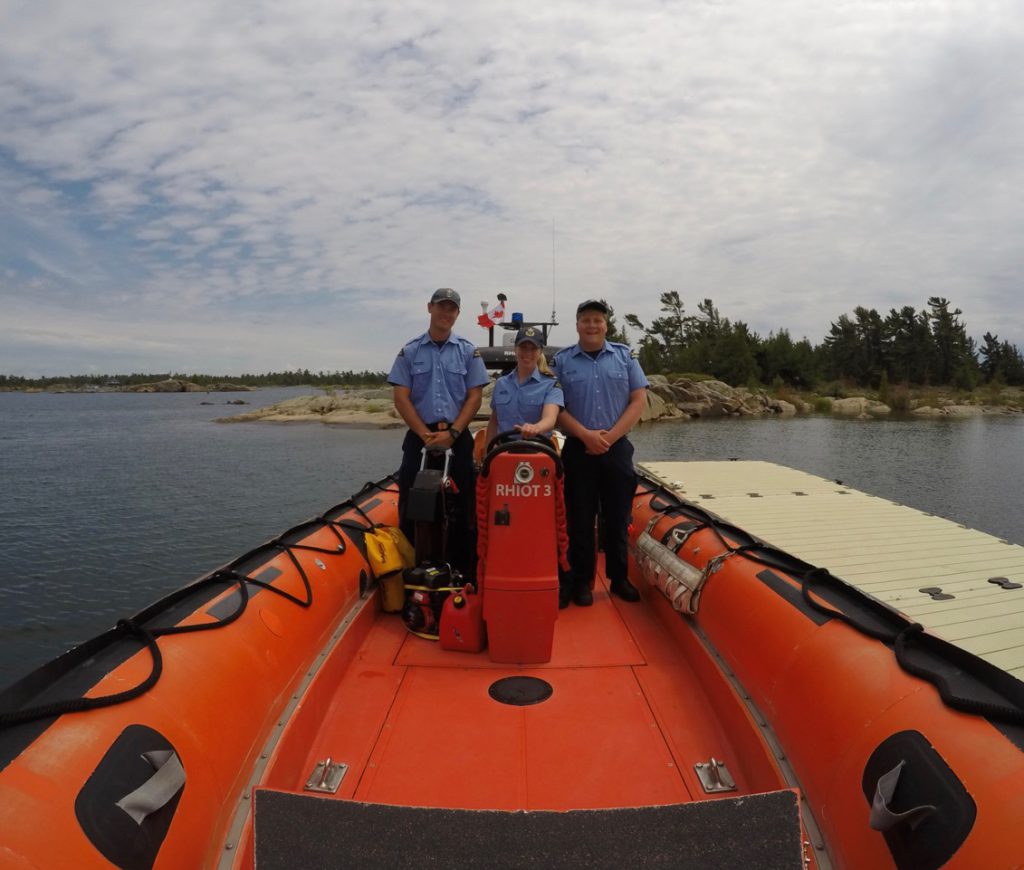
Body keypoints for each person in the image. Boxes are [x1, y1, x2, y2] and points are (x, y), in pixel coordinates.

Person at [388, 288, 489, 579]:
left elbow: (474, 397)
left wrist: (454, 432)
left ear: (457, 314)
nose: (446, 313)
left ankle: (464, 572)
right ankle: (411, 573)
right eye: (441, 307)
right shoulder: (409, 351)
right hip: (420, 437)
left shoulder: (469, 352)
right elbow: (401, 397)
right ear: (429, 308)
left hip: (457, 437)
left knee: (465, 506)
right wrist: (424, 435)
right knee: (409, 502)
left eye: (452, 309)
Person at [554, 299, 649, 608]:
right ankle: (581, 581)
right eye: (586, 320)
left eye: (598, 320)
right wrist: (585, 435)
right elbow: (554, 406)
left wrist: (609, 437)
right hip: (578, 449)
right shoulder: (563, 361)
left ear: (606, 324)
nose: (592, 325)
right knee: (579, 518)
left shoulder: (624, 357)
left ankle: (619, 578)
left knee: (618, 516)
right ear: (577, 325)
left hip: (616, 447)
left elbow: (638, 400)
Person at [484, 326, 564, 445]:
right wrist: (487, 454)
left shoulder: (551, 385)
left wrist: (536, 428)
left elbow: (550, 419)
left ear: (540, 351)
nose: (528, 353)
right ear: (515, 349)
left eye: (533, 348)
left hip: (537, 450)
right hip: (503, 451)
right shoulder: (501, 383)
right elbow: (494, 421)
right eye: (523, 348)